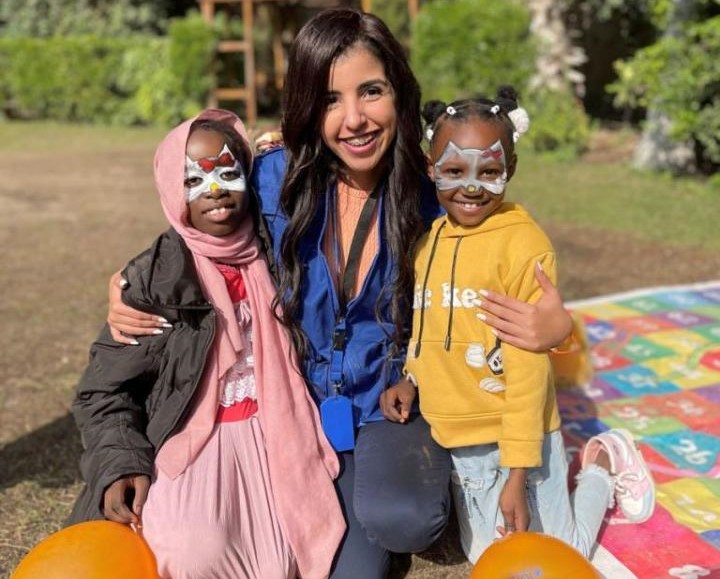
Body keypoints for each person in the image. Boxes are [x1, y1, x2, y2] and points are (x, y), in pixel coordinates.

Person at [104, 9, 575, 579]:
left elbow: (512, 256)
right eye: (329, 100)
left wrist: (556, 329)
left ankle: (417, 483)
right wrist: (134, 286)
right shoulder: (274, 177)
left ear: (399, 92)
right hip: (291, 406)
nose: (353, 119)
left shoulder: (437, 196)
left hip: (386, 404)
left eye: (370, 92)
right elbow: (203, 228)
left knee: (402, 519)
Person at [380, 89, 656, 564]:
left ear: (511, 166)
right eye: (453, 170)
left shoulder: (524, 247)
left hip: (519, 442)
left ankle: (604, 466)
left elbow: (529, 368)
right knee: (487, 557)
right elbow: (429, 326)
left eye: (489, 171)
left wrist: (516, 471)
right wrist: (411, 376)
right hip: (460, 444)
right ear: (431, 169)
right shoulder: (429, 242)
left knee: (559, 555)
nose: (471, 186)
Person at [68, 108, 345, 579]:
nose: (214, 190)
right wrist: (118, 465)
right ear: (174, 191)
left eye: (228, 172)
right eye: (194, 179)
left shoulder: (282, 252)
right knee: (191, 553)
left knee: (283, 559)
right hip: (194, 440)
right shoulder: (159, 277)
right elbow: (103, 391)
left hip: (278, 432)